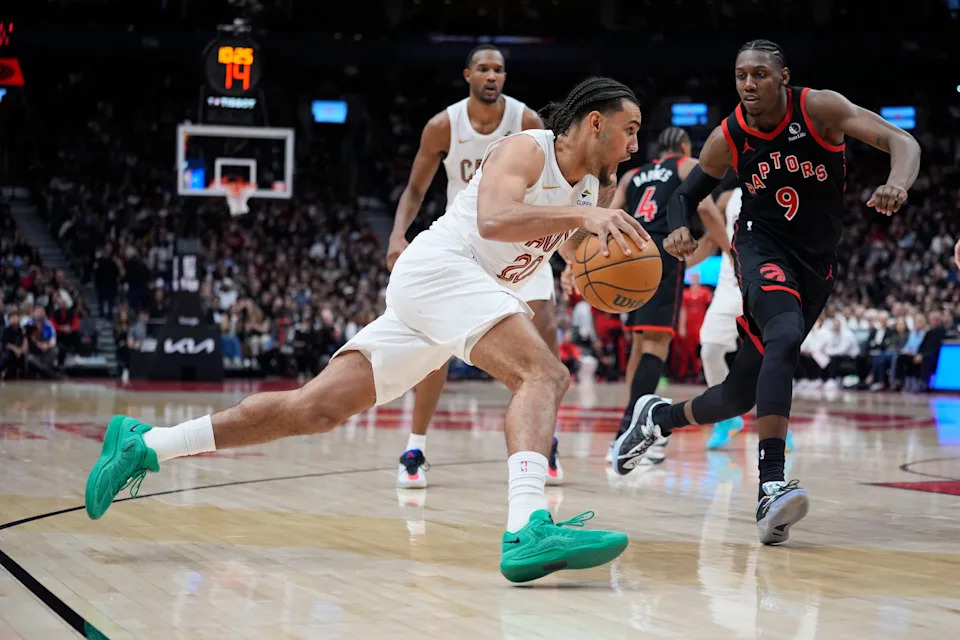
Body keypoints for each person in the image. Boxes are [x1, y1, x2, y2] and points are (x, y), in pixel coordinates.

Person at [85, 77, 648, 583]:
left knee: (312, 410)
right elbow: (493, 219)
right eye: (629, 130)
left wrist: (586, 264)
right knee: (544, 373)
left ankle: (145, 445)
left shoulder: (593, 188)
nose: (634, 145)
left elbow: (567, 243)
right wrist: (582, 219)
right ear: (594, 122)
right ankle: (528, 526)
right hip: (443, 269)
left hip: (451, 295)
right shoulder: (528, 148)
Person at [612, 39, 921, 546]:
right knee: (785, 334)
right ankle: (771, 485)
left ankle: (657, 418)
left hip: (816, 265)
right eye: (741, 76)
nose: (749, 84)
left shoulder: (819, 107)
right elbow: (683, 196)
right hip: (760, 244)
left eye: (759, 75)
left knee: (738, 395)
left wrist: (899, 184)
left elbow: (902, 142)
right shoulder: (729, 134)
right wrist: (676, 228)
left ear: (783, 77)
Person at [385, 44, 565, 489]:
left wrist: (568, 250)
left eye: (499, 69)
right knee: (436, 346)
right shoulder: (443, 126)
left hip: (521, 239)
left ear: (505, 77)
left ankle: (548, 442)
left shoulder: (525, 122)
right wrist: (396, 236)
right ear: (467, 75)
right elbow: (414, 189)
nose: (491, 75)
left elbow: (552, 186)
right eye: (483, 68)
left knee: (544, 326)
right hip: (465, 247)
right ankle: (416, 447)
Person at [606, 127, 728, 464]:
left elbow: (612, 215)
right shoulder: (686, 166)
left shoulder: (632, 175)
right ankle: (633, 433)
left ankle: (622, 432)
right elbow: (705, 211)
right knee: (656, 347)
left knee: (639, 346)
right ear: (685, 147)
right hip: (660, 257)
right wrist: (729, 249)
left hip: (631, 259)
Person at [691, 186, 795, 449]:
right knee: (710, 348)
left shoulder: (780, 189)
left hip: (766, 280)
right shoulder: (728, 197)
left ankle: (778, 422)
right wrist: (673, 267)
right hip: (729, 284)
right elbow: (710, 239)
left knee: (770, 356)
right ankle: (727, 419)